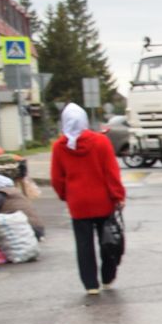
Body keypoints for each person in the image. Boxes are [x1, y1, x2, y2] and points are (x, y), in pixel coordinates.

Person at [49, 104, 126, 295]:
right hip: (103, 200)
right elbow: (111, 172)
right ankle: (108, 276)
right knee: (108, 240)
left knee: (83, 245)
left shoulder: (59, 146)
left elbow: (57, 177)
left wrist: (65, 195)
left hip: (78, 202)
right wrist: (118, 196)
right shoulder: (100, 141)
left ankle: (91, 284)